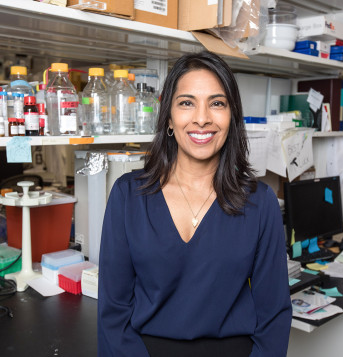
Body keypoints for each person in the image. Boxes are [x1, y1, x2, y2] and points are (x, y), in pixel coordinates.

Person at [98, 51, 291, 356]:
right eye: (187, 103)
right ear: (170, 118)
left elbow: (274, 316)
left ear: (231, 118)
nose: (202, 118)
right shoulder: (128, 195)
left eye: (217, 103)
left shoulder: (259, 202)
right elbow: (113, 312)